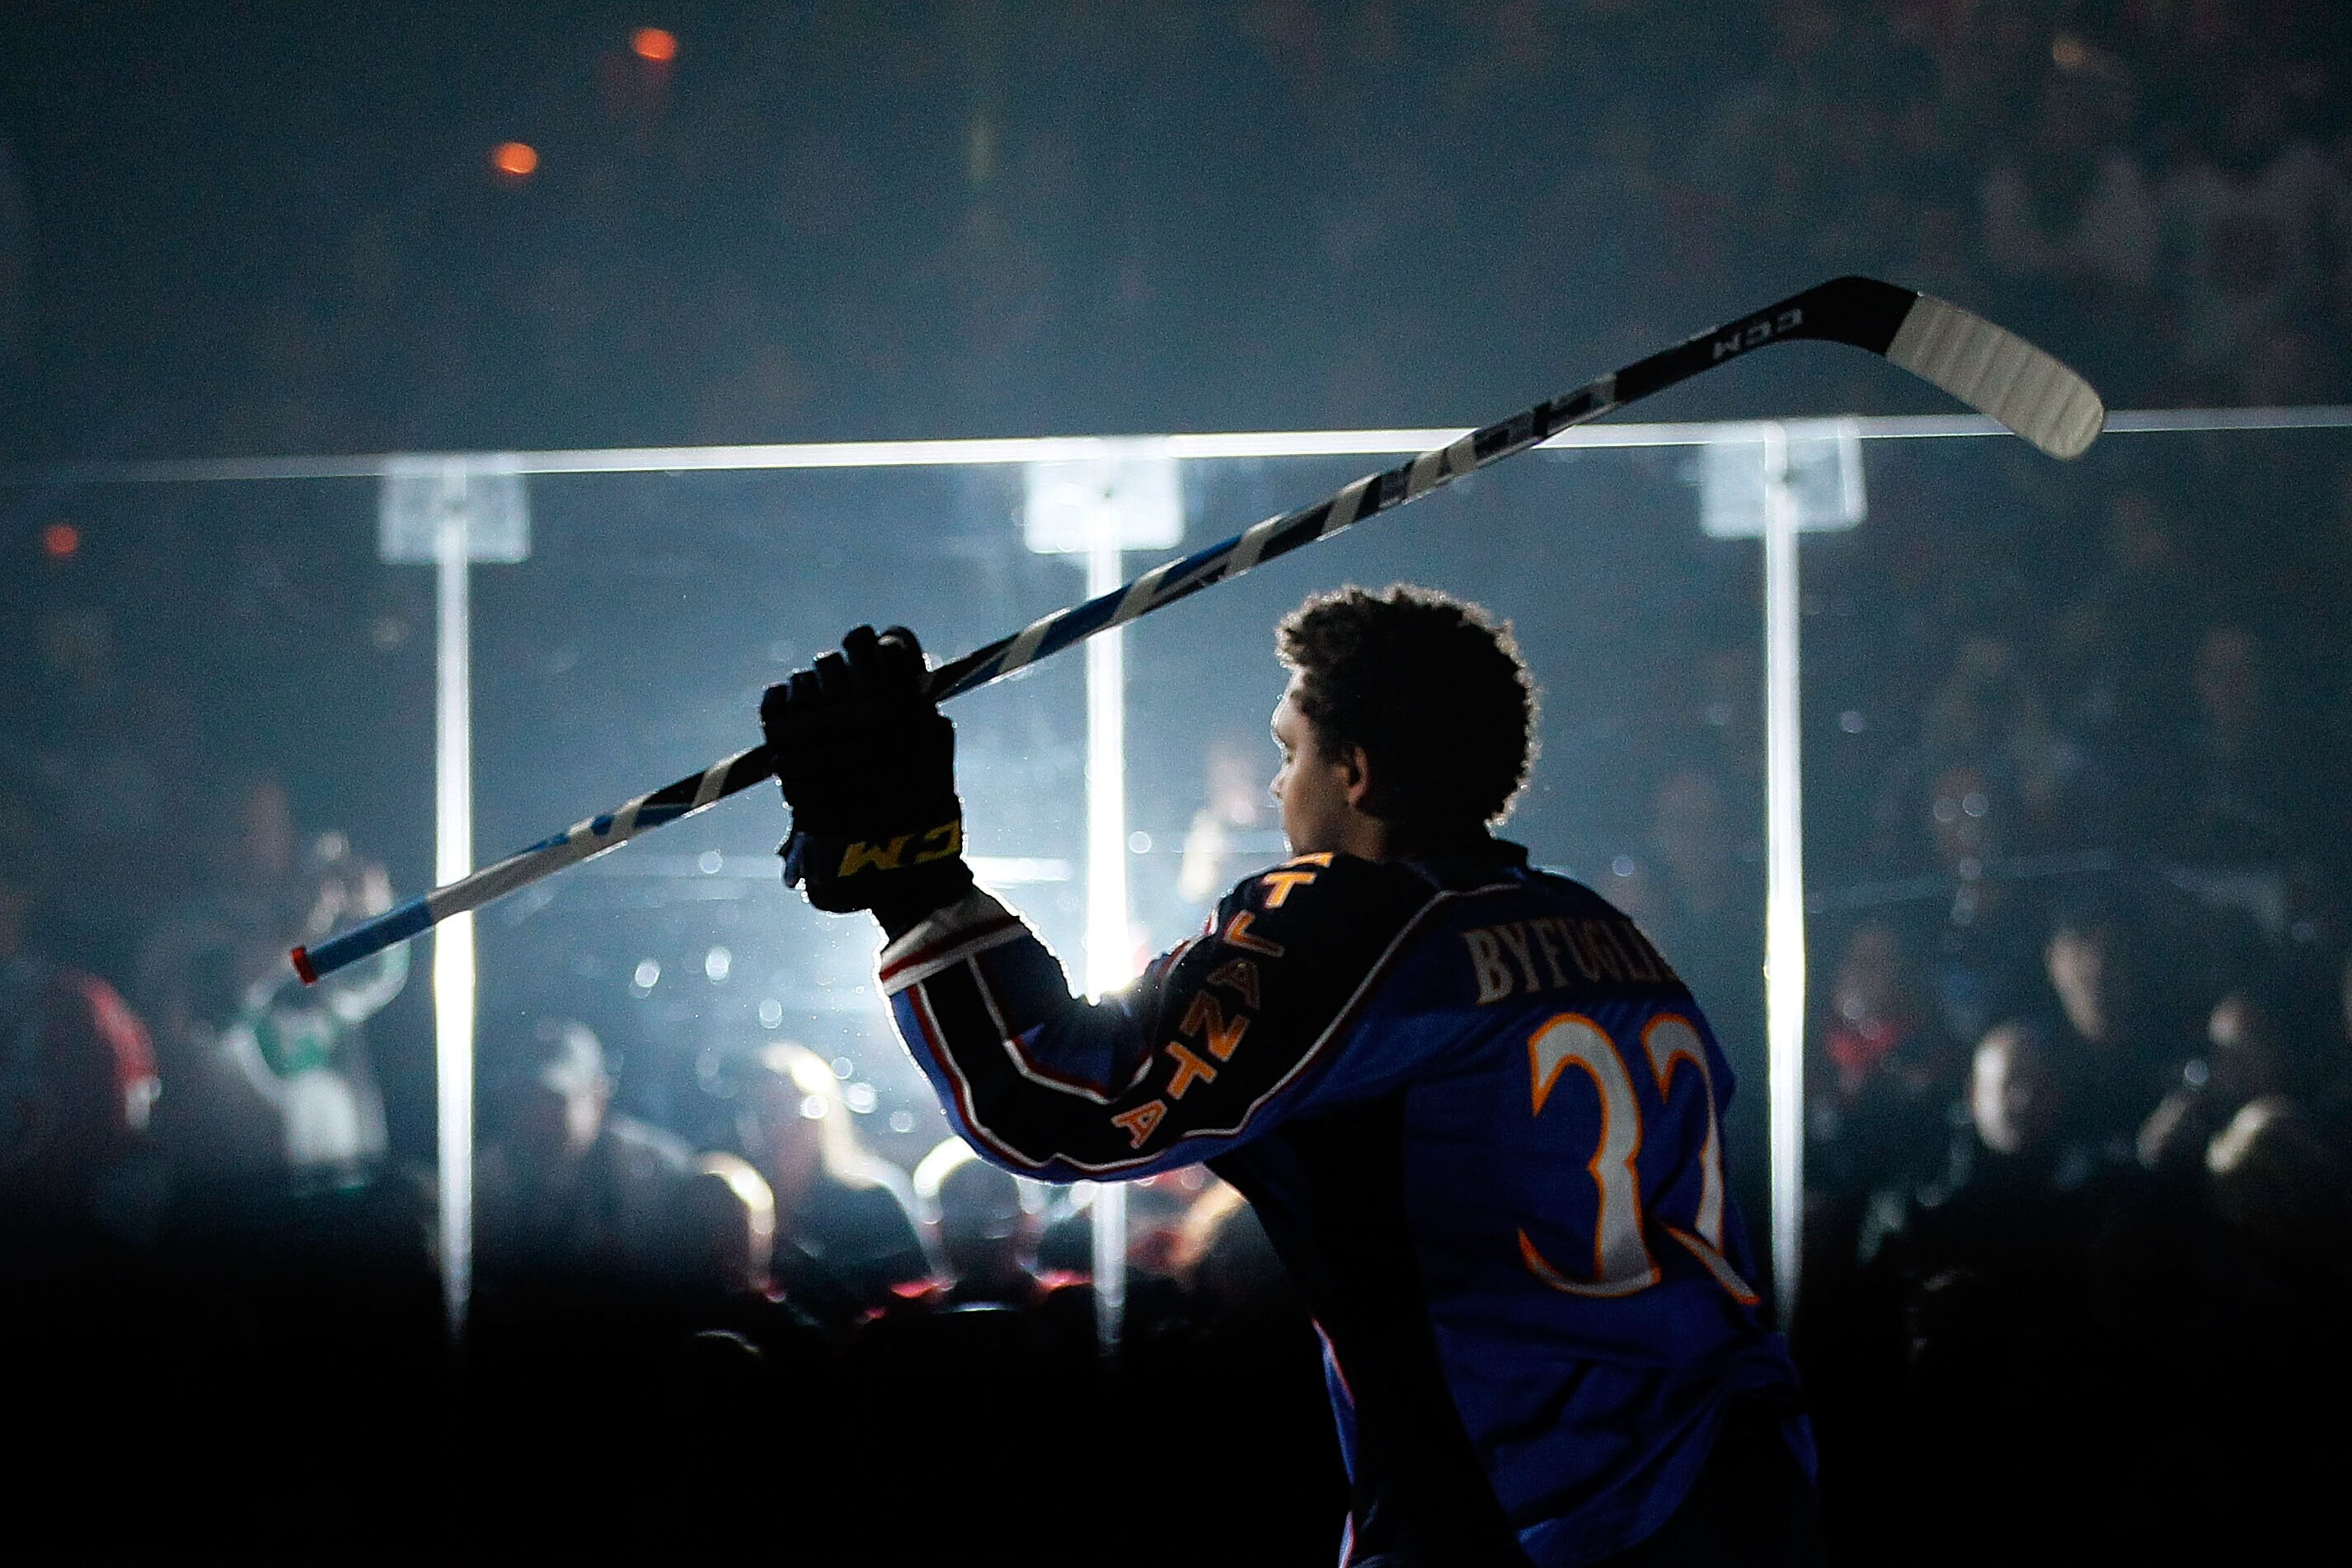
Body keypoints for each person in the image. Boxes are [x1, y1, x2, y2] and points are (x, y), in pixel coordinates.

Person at [759, 588, 1816, 1566]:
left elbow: (1066, 1097)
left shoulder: (1354, 923)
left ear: (1354, 772)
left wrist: (916, 877)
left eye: (1290, 751)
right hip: (1735, 1475)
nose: (1275, 787)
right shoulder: (1605, 933)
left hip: (1535, 1511)